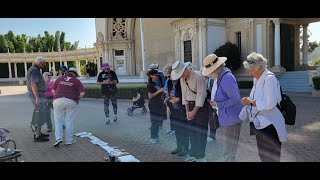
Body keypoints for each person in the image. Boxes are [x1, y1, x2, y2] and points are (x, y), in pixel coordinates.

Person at [240, 52, 287, 162]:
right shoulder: (257, 78)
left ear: (260, 68)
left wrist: (251, 102)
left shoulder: (269, 79)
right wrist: (249, 101)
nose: (250, 73)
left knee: (271, 157)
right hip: (260, 123)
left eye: (251, 70)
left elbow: (270, 104)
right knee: (263, 155)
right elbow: (256, 98)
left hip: (270, 125)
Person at [201, 53, 243, 162]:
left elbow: (235, 99)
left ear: (215, 69)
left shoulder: (226, 77)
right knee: (228, 150)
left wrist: (218, 104)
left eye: (210, 72)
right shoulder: (219, 77)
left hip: (231, 119)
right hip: (226, 117)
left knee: (228, 152)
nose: (209, 74)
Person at [171, 61, 208, 162]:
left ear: (186, 70)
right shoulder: (183, 79)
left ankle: (201, 156)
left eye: (181, 74)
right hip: (190, 106)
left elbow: (201, 96)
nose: (181, 77)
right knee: (192, 132)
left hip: (200, 107)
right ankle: (193, 154)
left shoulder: (198, 76)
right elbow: (184, 96)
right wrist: (188, 111)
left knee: (200, 132)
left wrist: (193, 112)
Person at [52, 67, 85, 147]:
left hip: (58, 100)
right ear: (75, 74)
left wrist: (59, 96)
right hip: (71, 101)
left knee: (58, 120)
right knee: (69, 120)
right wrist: (78, 98)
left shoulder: (59, 78)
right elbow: (82, 93)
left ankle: (58, 138)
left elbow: (53, 91)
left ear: (67, 72)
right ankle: (69, 140)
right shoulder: (76, 81)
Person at [163, 64, 189, 156]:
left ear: (173, 74)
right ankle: (179, 147)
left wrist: (178, 99)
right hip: (173, 109)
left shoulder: (180, 80)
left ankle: (186, 149)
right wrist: (169, 105)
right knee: (177, 129)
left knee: (183, 129)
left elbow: (186, 94)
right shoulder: (169, 81)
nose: (167, 78)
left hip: (182, 109)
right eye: (166, 76)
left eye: (168, 76)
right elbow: (169, 94)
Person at [27, 56, 49, 142]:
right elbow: (33, 84)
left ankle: (39, 133)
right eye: (44, 63)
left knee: (40, 113)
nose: (44, 65)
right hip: (38, 95)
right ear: (40, 63)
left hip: (39, 95)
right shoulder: (35, 70)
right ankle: (37, 135)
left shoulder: (34, 69)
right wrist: (37, 97)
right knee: (39, 114)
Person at [147, 69, 166, 144]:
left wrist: (162, 94)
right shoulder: (150, 84)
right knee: (154, 122)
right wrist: (159, 91)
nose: (156, 77)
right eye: (155, 75)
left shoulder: (155, 83)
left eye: (157, 75)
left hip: (159, 104)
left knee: (158, 121)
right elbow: (150, 96)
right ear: (151, 75)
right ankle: (152, 137)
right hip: (153, 105)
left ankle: (156, 135)